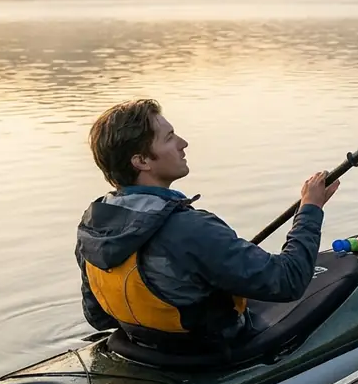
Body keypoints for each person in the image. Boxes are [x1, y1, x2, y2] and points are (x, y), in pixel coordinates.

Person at [74, 98, 339, 352]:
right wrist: (310, 208)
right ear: (141, 161)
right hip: (208, 353)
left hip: (141, 347)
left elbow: (98, 317)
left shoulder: (94, 224)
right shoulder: (191, 228)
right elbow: (289, 281)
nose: (183, 143)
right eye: (169, 138)